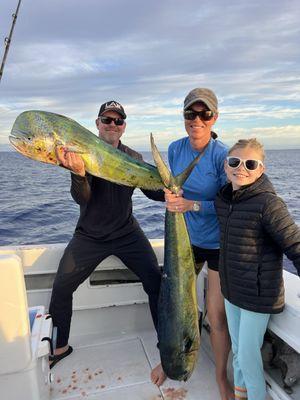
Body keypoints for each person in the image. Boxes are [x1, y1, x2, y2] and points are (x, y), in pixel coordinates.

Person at [49, 100, 162, 368]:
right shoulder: (82, 152)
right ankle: (60, 346)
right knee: (61, 288)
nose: (113, 125)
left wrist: (170, 191)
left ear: (123, 127)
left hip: (127, 232)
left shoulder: (133, 157)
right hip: (89, 236)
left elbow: (151, 191)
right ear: (97, 124)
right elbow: (82, 198)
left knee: (157, 283)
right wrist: (78, 174)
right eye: (107, 120)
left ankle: (165, 343)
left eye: (118, 121)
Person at [151, 88, 233, 400]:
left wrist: (191, 205)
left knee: (215, 315)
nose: (197, 120)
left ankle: (221, 378)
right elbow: (172, 189)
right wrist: (170, 198)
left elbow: (228, 204)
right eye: (190, 114)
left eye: (204, 114)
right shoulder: (174, 149)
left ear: (214, 118)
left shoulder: (222, 155)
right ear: (184, 118)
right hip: (184, 240)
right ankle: (166, 359)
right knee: (170, 302)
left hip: (216, 244)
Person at [214, 138, 300, 400]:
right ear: (226, 167)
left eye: (251, 164)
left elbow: (294, 243)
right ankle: (241, 395)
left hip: (258, 296)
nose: (242, 168)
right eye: (234, 162)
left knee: (249, 355)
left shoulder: (268, 204)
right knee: (239, 350)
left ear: (261, 169)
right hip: (232, 290)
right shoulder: (224, 200)